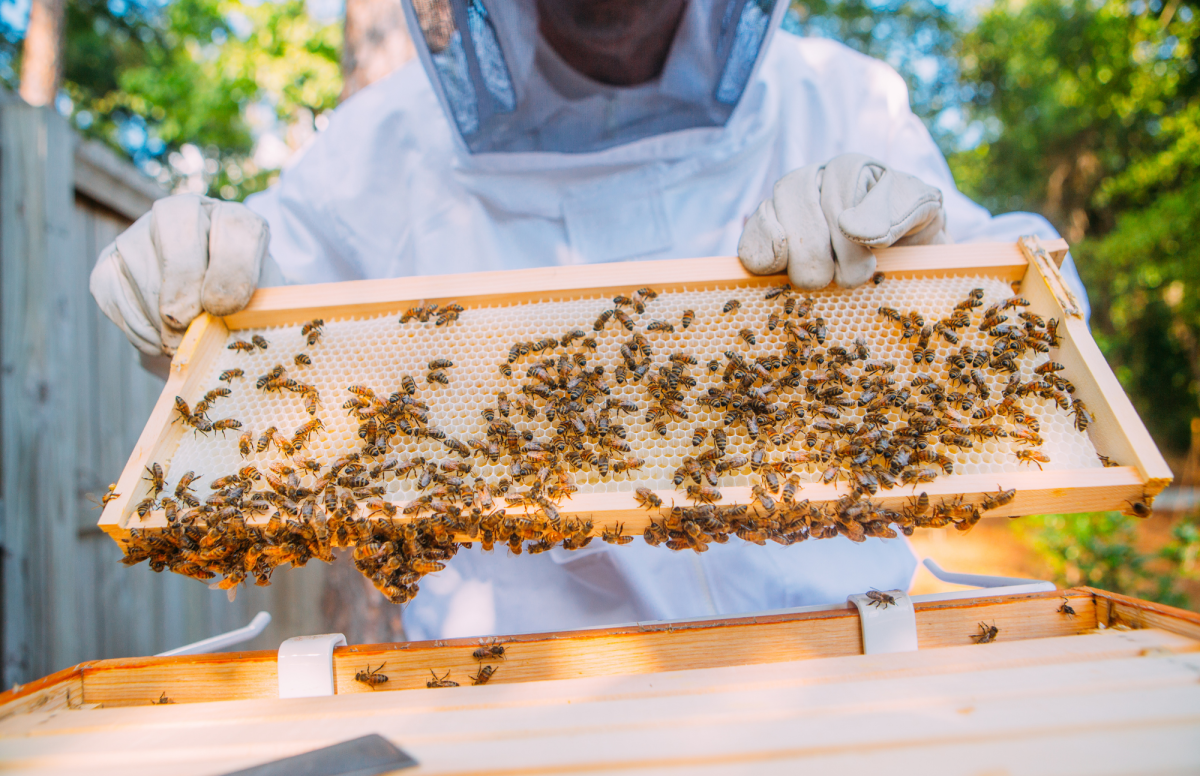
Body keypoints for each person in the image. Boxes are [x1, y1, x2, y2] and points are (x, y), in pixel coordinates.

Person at [90, 0, 1087, 640]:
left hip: (861, 661)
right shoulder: (371, 157)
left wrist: (947, 258)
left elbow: (1039, 333)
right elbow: (254, 334)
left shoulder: (844, 102)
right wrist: (188, 276)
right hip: (518, 707)